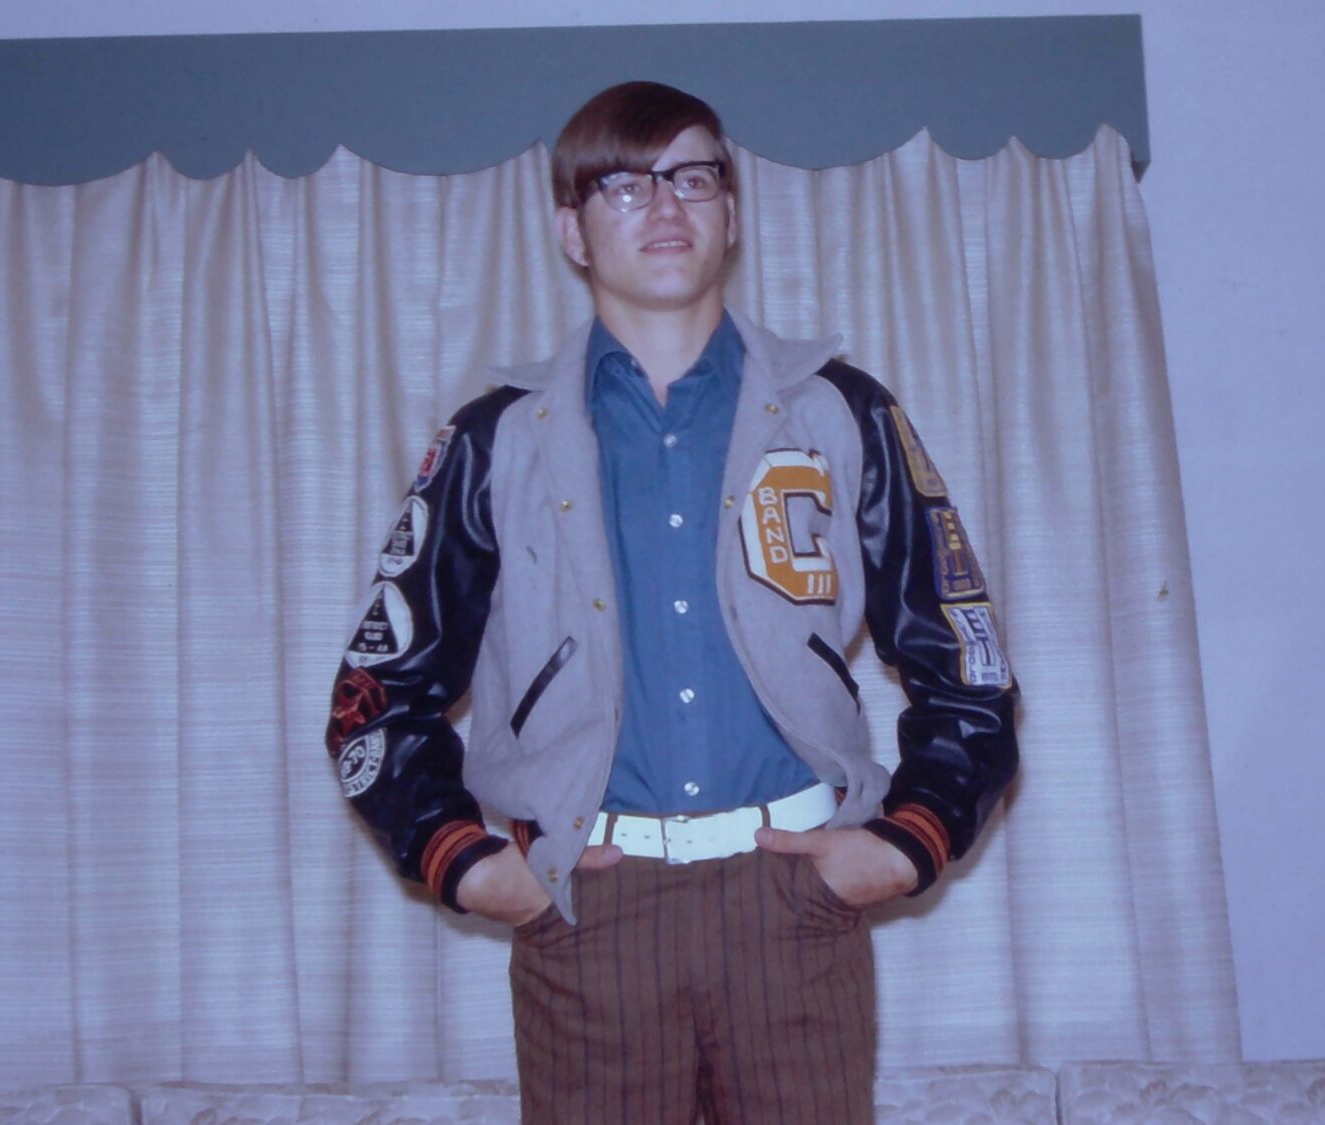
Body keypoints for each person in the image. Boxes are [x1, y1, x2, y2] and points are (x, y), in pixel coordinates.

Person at [324, 80, 1019, 1124]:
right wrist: (465, 864)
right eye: (623, 184)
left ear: (730, 213)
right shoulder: (491, 440)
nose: (665, 206)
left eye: (694, 177)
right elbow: (374, 693)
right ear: (571, 228)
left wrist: (903, 841)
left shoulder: (843, 412)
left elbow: (965, 660)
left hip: (791, 903)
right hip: (588, 911)